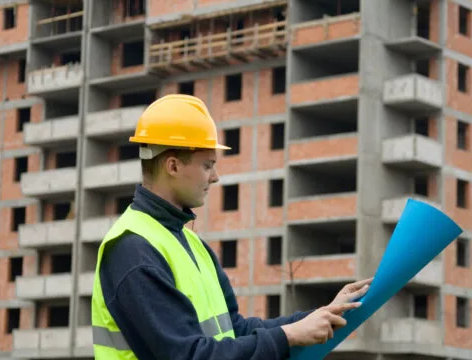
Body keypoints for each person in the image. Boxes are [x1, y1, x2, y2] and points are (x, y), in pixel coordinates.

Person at [91, 94, 372, 359]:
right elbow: (191, 355)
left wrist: (317, 317)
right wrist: (288, 336)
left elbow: (236, 330)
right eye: (207, 165)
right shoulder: (132, 250)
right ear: (173, 166)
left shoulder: (190, 244)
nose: (215, 177)